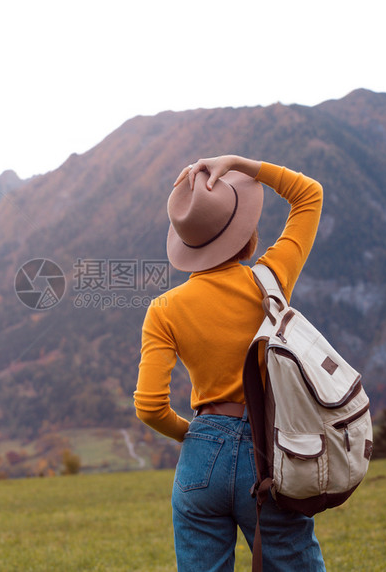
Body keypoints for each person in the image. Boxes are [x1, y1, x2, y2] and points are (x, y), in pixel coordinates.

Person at [134, 154, 326, 571]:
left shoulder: (164, 309)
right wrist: (243, 163)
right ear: (246, 233)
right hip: (268, 452)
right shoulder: (270, 280)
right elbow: (309, 195)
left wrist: (197, 435)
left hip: (201, 456)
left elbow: (149, 407)